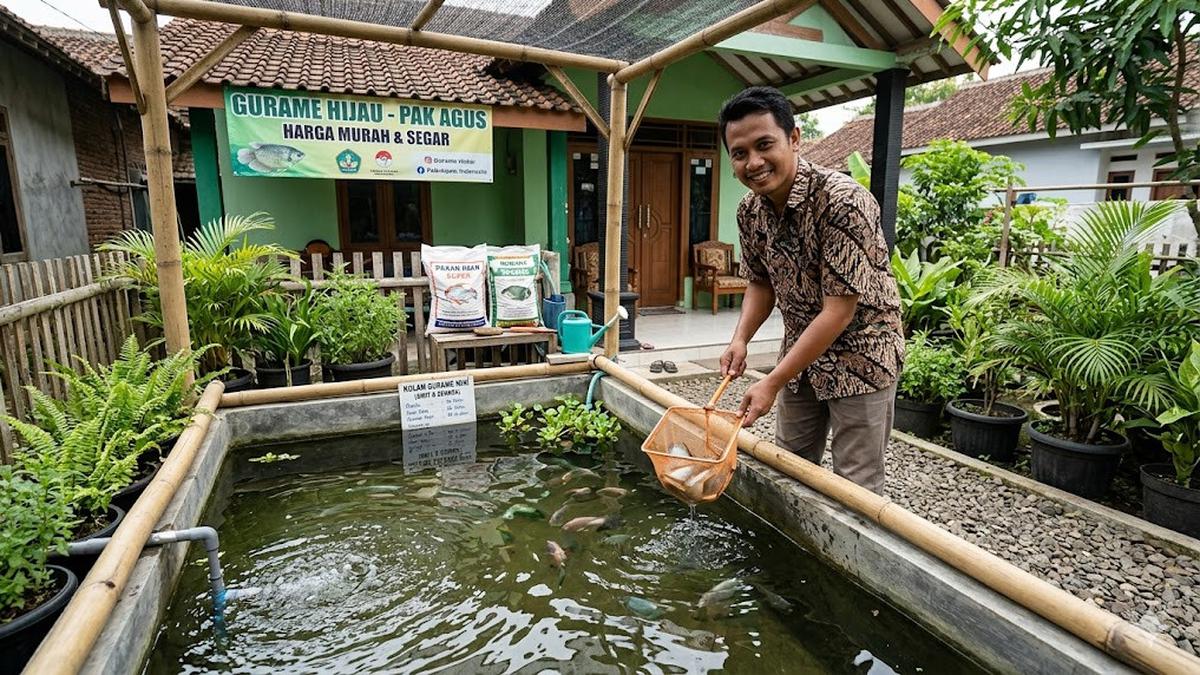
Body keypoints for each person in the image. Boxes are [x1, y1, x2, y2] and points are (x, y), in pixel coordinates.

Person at [716, 86, 903, 494]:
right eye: (740, 152)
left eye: (765, 145)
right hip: (801, 354)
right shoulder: (750, 210)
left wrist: (771, 381)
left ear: (795, 139)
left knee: (855, 486)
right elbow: (761, 281)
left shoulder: (844, 202)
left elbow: (839, 312)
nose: (754, 162)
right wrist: (740, 339)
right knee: (790, 466)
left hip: (863, 357)